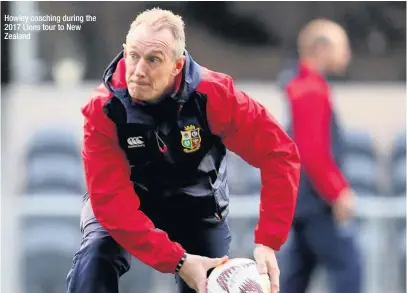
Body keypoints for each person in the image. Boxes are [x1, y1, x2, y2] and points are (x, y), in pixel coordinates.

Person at [66, 8, 301, 293]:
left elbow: (279, 153)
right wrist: (177, 261)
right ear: (125, 51)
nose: (139, 71)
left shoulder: (215, 95)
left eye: (153, 60)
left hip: (196, 205)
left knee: (213, 284)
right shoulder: (103, 110)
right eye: (134, 56)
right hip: (128, 201)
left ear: (177, 66)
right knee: (94, 257)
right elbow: (112, 206)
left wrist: (268, 241)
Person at [277, 19, 363, 293]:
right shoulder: (310, 89)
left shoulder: (303, 85)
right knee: (349, 269)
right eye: (342, 46)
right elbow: (312, 152)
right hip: (317, 203)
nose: (347, 54)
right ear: (321, 49)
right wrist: (338, 192)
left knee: (295, 277)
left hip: (304, 201)